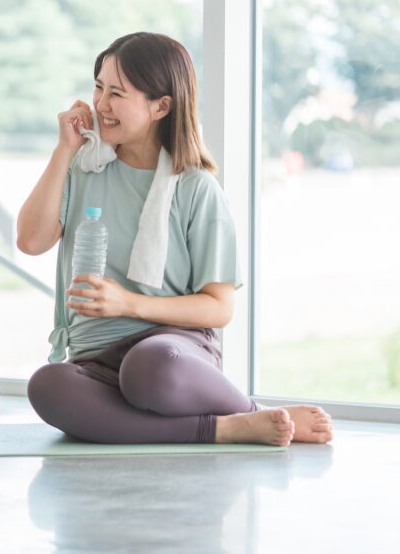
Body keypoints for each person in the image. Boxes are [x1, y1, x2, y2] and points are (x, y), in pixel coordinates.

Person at [17, 32, 333, 446]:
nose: (100, 104)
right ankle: (228, 426)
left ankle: (251, 413)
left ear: (161, 106)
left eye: (117, 93)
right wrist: (64, 150)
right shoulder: (82, 167)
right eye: (98, 87)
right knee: (47, 386)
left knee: (149, 369)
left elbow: (219, 307)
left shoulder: (196, 188)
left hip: (171, 351)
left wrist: (129, 303)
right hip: (95, 361)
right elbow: (31, 240)